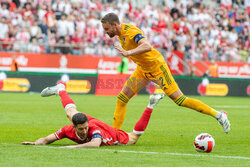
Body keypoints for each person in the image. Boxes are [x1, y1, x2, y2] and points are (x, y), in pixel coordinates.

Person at [100, 13, 230, 133]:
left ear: (115, 25)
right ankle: (114, 135)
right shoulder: (120, 35)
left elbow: (147, 46)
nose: (105, 32)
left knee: (180, 100)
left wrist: (128, 53)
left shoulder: (131, 31)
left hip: (157, 68)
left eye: (106, 29)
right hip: (142, 70)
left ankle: (218, 115)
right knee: (122, 99)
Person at [22, 83, 163, 148]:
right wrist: (35, 143)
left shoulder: (92, 129)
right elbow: (47, 139)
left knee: (134, 138)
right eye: (81, 129)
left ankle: (151, 104)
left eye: (85, 128)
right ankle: (61, 89)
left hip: (112, 134)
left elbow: (95, 144)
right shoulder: (68, 129)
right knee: (70, 112)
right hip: (88, 121)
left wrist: (70, 148)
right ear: (74, 126)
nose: (84, 131)